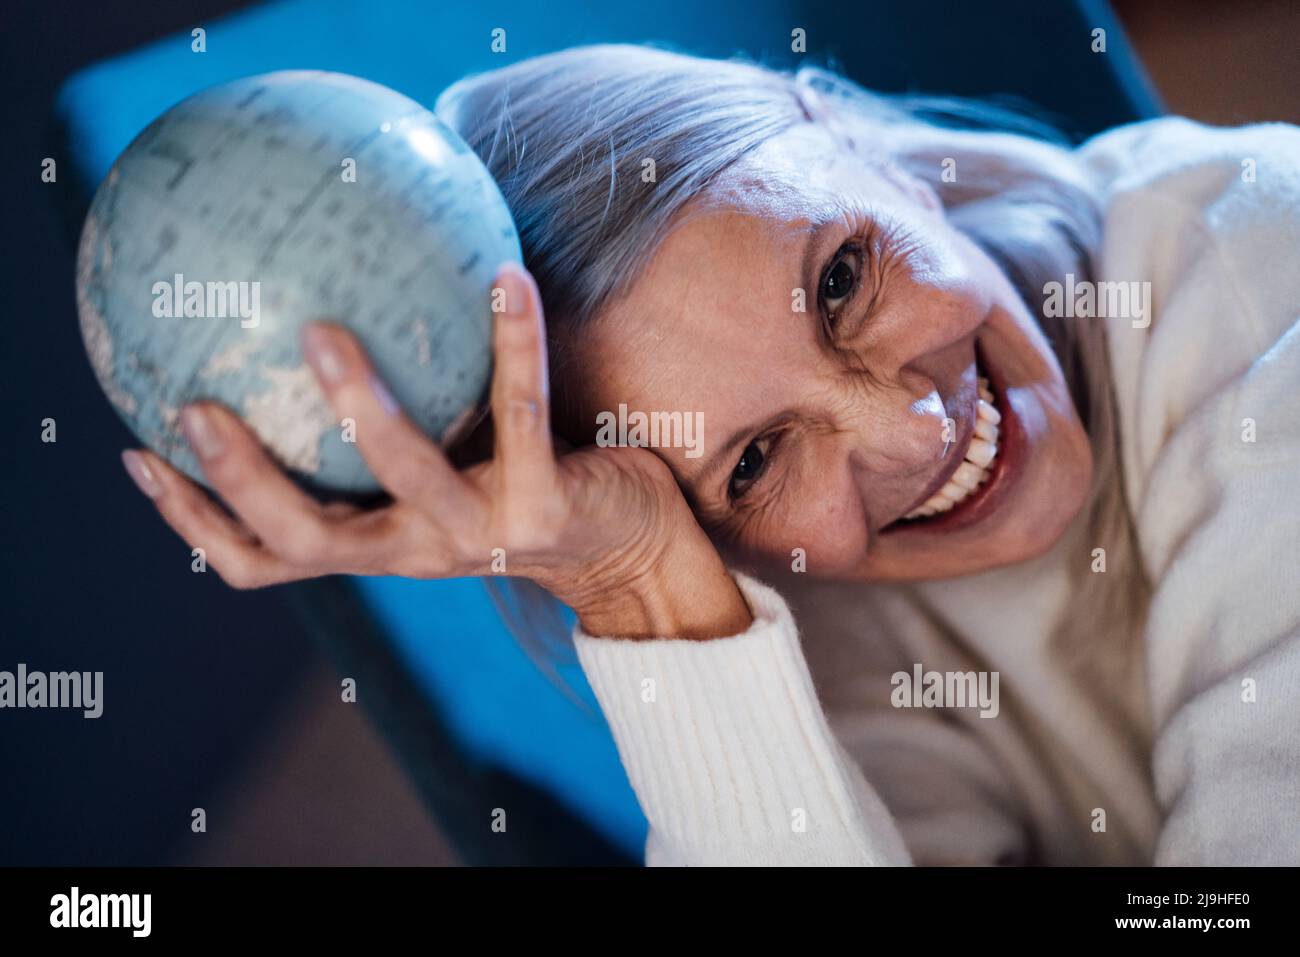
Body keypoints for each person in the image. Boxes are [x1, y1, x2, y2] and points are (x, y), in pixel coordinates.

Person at [118, 45, 1300, 865]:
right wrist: (638, 582)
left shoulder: (1268, 269)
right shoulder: (801, 619)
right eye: (751, 466)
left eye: (842, 280)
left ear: (848, 135)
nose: (912, 435)